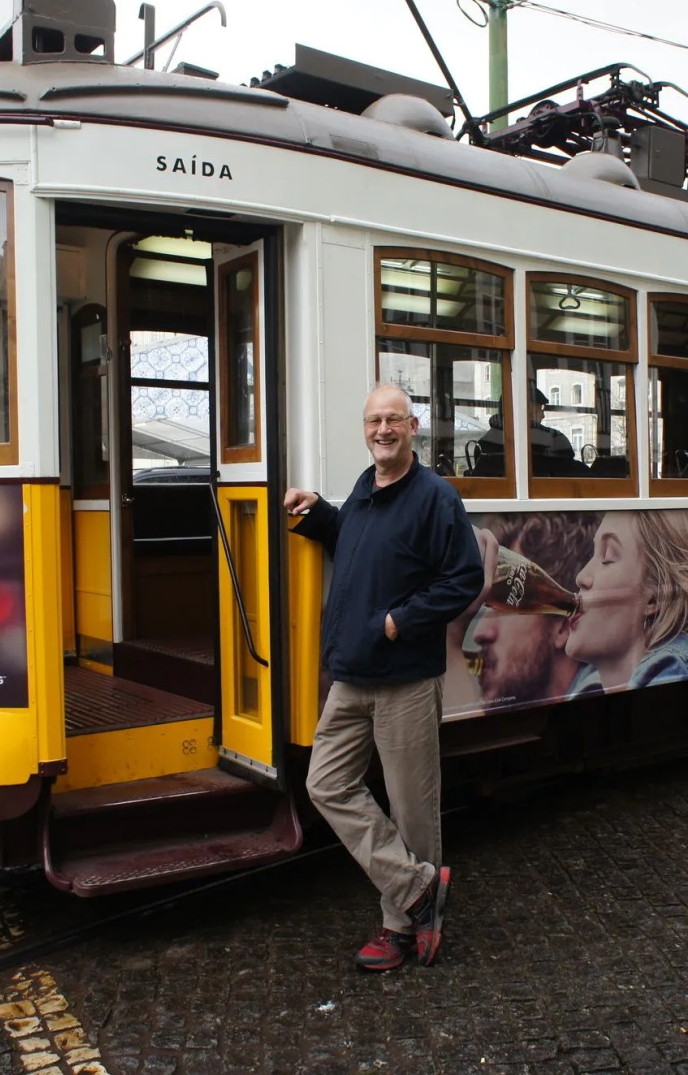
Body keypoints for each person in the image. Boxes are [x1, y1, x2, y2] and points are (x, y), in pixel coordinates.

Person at [284, 383, 485, 972]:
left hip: (403, 677)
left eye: (393, 420)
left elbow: (463, 578)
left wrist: (402, 621)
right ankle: (420, 889)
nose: (382, 430)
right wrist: (318, 512)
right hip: (351, 674)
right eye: (374, 420)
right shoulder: (364, 490)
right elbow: (352, 538)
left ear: (413, 426)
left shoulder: (435, 498)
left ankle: (400, 927)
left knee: (410, 807)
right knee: (325, 784)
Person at [443, 512, 600, 714]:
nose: (480, 633)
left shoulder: (599, 706)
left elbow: (474, 741)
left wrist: (450, 642)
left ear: (563, 626)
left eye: (505, 607)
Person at [565, 510, 688, 694]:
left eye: (607, 558)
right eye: (592, 555)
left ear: (655, 597)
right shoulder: (586, 689)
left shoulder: (679, 675)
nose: (580, 577)